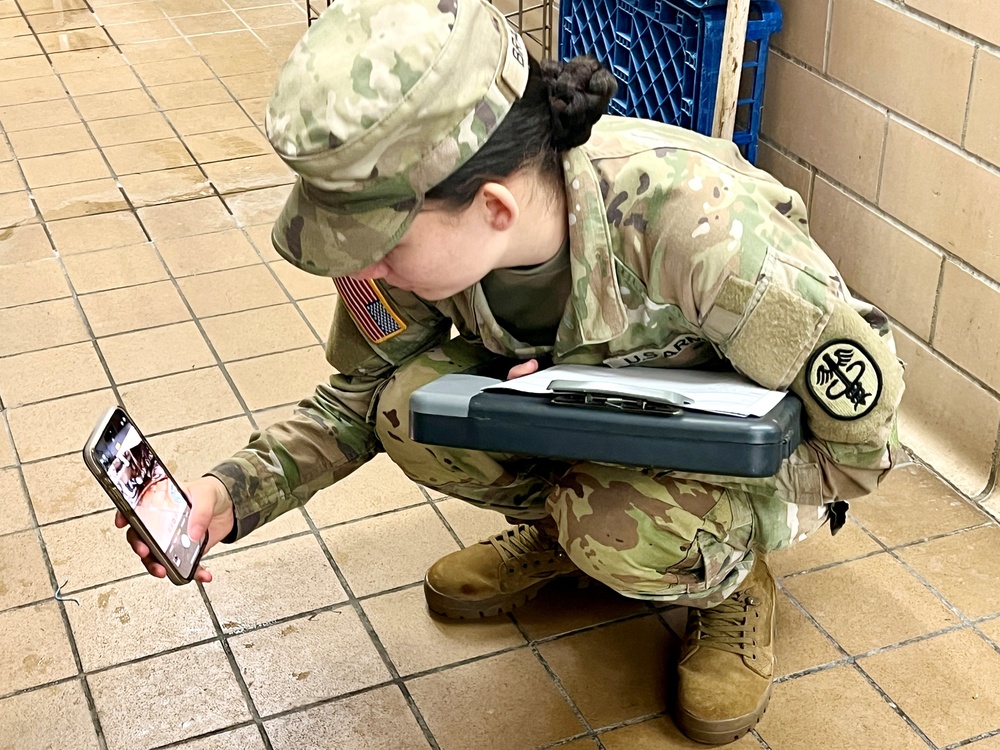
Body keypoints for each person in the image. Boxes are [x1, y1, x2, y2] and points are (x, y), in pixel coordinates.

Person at [117, 0, 904, 743]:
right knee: (405, 406)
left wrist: (714, 495)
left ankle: (727, 580)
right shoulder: (416, 258)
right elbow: (355, 401)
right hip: (572, 410)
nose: (362, 262)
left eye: (381, 239)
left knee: (615, 522)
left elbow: (861, 446)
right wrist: (227, 496)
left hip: (729, 453)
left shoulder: (703, 233)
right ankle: (569, 528)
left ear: (493, 206)